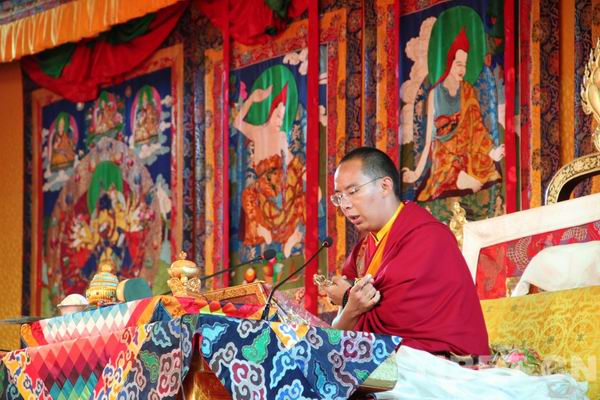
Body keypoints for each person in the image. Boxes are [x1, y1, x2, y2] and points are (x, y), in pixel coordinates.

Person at [325, 147, 588, 399]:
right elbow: (349, 331)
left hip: (439, 362)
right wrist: (350, 304)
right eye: (338, 197)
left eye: (353, 191)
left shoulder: (428, 237)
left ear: (384, 186)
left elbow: (401, 319)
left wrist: (349, 299)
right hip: (387, 360)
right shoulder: (362, 252)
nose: (344, 205)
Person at [402, 28, 504, 201]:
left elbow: (478, 128)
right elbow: (429, 141)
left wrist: (492, 151)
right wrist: (416, 174)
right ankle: (459, 178)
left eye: (464, 64)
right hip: (444, 151)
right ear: (449, 63)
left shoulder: (468, 90)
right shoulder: (435, 94)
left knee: (484, 165)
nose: (462, 69)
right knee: (445, 161)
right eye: (458, 64)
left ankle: (464, 177)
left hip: (466, 148)